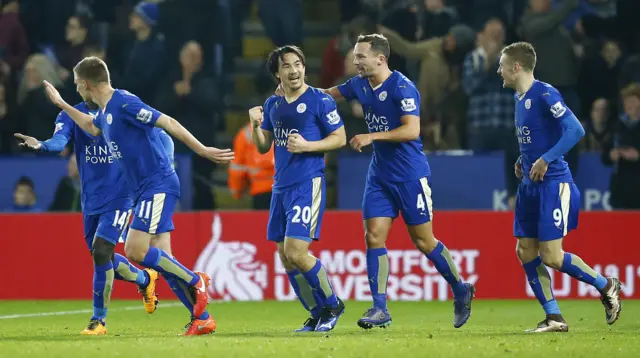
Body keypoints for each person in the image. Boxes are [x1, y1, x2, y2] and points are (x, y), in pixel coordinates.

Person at [42, 56, 234, 336]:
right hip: (145, 189)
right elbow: (91, 126)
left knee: (135, 250)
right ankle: (202, 317)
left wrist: (202, 150)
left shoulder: (124, 104)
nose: (77, 91)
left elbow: (166, 121)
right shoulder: (107, 111)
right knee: (164, 260)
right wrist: (61, 104)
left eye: (76, 86)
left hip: (157, 185)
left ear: (85, 84)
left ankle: (196, 280)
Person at [295, 34, 476, 330]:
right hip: (379, 175)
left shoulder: (402, 87)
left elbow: (411, 130)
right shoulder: (359, 84)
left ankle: (460, 288)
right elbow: (327, 93)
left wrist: (372, 136)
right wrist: (296, 91)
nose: (355, 62)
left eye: (361, 57)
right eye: (355, 57)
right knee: (373, 237)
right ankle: (380, 308)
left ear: (380, 58)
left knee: (423, 240)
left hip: (410, 175)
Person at [498, 41, 621, 333]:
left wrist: (545, 159)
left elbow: (575, 129)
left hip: (554, 184)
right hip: (530, 185)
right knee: (525, 250)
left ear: (516, 67)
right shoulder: (519, 98)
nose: (498, 70)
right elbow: (538, 136)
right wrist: (523, 159)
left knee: (551, 255)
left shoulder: (545, 93)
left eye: (502, 65)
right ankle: (554, 316)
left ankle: (606, 285)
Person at [14, 101, 164, 335]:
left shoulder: (121, 108)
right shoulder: (71, 114)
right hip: (91, 199)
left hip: (121, 196)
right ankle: (145, 279)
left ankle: (98, 321)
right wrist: (41, 145)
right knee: (102, 257)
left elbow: (152, 134)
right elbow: (59, 142)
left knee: (102, 250)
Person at [249, 45, 347, 332]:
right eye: (287, 66)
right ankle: (316, 312)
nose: (294, 71)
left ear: (304, 67)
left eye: (298, 64)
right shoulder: (272, 105)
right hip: (281, 186)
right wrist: (255, 126)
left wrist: (308, 146)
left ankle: (332, 304)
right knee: (284, 254)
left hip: (308, 182)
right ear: (277, 74)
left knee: (297, 251)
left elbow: (339, 137)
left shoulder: (319, 100)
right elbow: (264, 145)